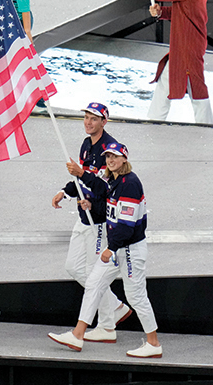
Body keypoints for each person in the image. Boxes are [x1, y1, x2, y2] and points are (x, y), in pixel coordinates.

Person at [49, 142, 161, 358]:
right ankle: (77, 334)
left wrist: (111, 248)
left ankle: (154, 343)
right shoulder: (114, 181)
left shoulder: (130, 184)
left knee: (136, 296)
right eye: (108, 157)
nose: (110, 160)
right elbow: (110, 209)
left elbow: (127, 225)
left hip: (128, 250)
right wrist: (92, 206)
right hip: (118, 248)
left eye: (115, 157)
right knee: (93, 283)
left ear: (124, 160)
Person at [51, 103, 130, 342]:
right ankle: (115, 307)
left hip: (99, 221)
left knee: (92, 273)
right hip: (83, 216)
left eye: (93, 119)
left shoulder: (111, 150)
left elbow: (107, 188)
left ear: (104, 122)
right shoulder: (86, 145)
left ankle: (106, 326)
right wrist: (65, 193)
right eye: (85, 117)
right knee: (73, 267)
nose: (88, 122)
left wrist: (81, 175)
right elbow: (81, 180)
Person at [142, 0, 213, 124]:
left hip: (187, 45)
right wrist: (161, 12)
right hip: (188, 43)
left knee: (194, 84)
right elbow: (183, 12)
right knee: (169, 78)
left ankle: (206, 123)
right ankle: (155, 118)